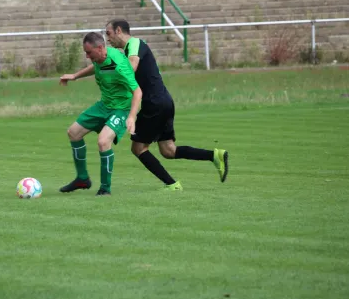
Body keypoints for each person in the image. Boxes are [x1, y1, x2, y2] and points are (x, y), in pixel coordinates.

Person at [104, 19, 229, 190]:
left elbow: (132, 66)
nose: (107, 38)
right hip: (164, 101)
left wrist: (112, 76)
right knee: (168, 150)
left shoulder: (134, 44)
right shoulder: (130, 48)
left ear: (118, 30)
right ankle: (215, 156)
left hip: (154, 104)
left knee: (138, 148)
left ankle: (172, 184)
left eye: (108, 33)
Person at [59, 31, 142, 196]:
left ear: (100, 48)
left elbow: (138, 92)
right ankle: (82, 178)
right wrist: (75, 76)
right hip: (104, 105)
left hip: (121, 108)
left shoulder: (119, 64)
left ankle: (105, 188)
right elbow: (95, 66)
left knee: (103, 141)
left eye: (89, 52)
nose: (87, 56)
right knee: (73, 132)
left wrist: (131, 117)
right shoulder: (99, 58)